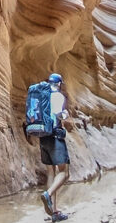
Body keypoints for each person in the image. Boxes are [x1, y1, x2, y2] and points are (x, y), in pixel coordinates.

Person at [39, 73, 70, 221]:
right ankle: (48, 194)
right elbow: (58, 114)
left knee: (51, 171)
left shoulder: (41, 96)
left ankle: (54, 213)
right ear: (59, 84)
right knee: (64, 172)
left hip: (43, 137)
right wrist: (65, 114)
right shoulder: (58, 96)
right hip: (55, 137)